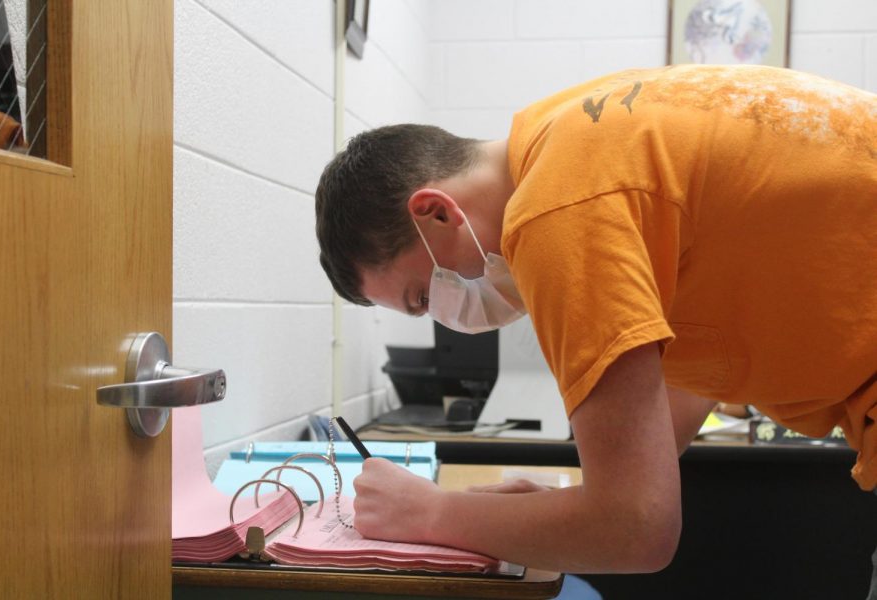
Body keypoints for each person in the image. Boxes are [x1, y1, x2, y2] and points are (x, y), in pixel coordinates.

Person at [315, 64, 876, 589]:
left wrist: (429, 511)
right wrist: (558, 509)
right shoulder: (568, 133)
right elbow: (687, 388)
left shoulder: (555, 211)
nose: (443, 314)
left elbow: (638, 528)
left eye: (422, 296)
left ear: (437, 211)